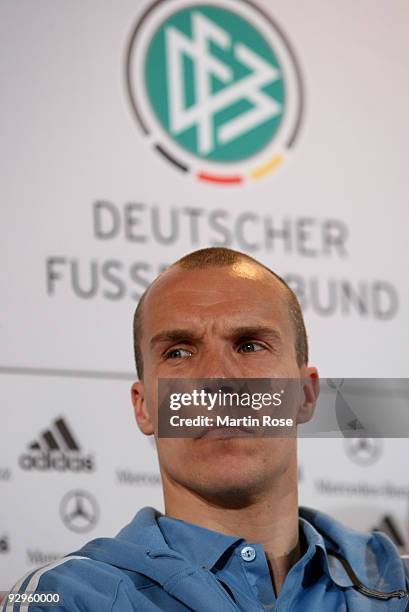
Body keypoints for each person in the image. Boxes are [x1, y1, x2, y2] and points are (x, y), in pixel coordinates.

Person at [4, 247, 408, 611]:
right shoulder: (66, 598)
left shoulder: (398, 584)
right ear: (144, 408)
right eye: (178, 351)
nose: (217, 379)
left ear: (305, 395)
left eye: (249, 345)